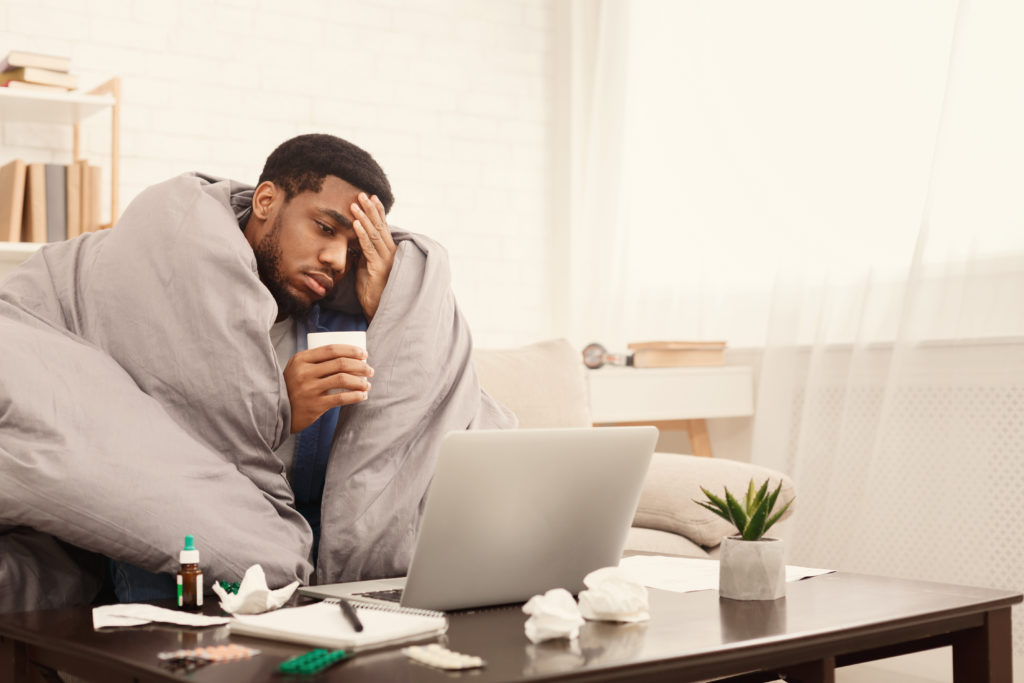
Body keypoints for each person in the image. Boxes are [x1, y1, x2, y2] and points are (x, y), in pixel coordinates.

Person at [0, 132, 515, 609]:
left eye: (354, 249)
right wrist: (279, 412)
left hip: (308, 539)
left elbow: (442, 432)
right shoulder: (178, 267)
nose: (336, 258)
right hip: (193, 520)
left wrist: (395, 312)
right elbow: (148, 438)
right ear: (266, 201)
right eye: (324, 227)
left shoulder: (348, 320)